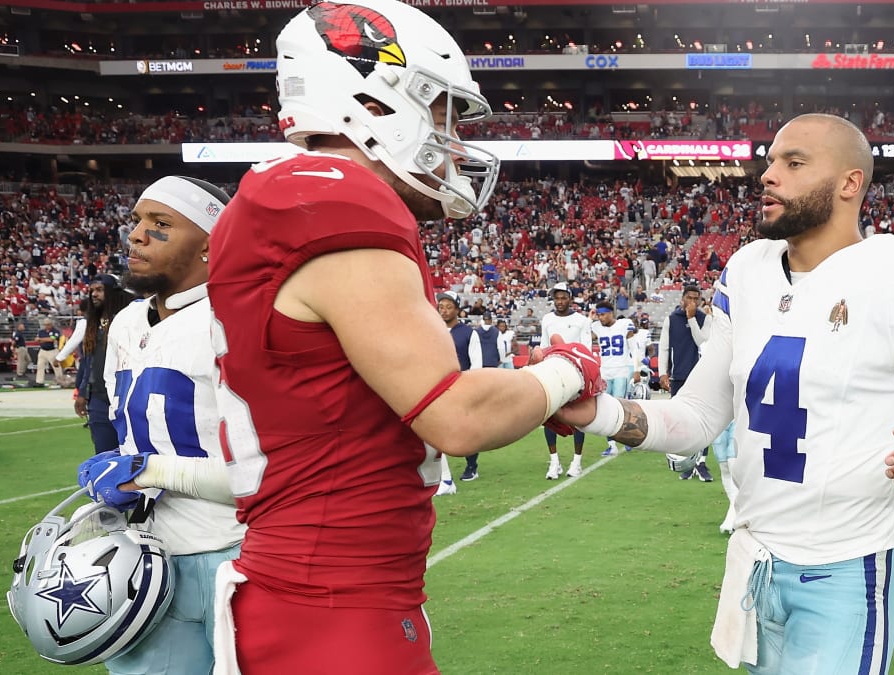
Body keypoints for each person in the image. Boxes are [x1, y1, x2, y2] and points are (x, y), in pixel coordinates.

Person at [552, 113, 894, 674]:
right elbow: (699, 415)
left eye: (794, 162)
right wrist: (599, 412)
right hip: (755, 564)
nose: (768, 174)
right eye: (771, 159)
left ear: (850, 184)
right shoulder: (748, 270)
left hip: (844, 573)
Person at [205, 3, 601, 672]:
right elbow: (455, 413)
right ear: (373, 100)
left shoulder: (278, 196)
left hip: (313, 589)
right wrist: (568, 368)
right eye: (442, 112)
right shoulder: (332, 199)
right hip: (333, 602)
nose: (450, 141)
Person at [76, 175, 245, 674]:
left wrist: (150, 470)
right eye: (137, 222)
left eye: (161, 224)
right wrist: (117, 469)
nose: (136, 235)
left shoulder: (238, 319)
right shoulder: (127, 321)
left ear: (211, 246)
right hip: (148, 559)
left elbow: (276, 475)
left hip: (238, 555)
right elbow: (123, 427)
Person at [69, 274, 134, 454]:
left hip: (125, 395)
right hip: (98, 398)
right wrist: (81, 393)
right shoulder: (93, 323)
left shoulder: (127, 320)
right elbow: (87, 361)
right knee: (104, 454)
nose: (94, 295)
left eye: (99, 290)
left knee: (132, 453)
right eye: (91, 291)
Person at [658, 284, 713, 481]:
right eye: (688, 297)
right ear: (682, 298)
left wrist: (692, 318)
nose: (692, 301)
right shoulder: (671, 319)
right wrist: (662, 372)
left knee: (702, 419)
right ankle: (687, 462)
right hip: (678, 375)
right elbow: (664, 347)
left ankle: (702, 462)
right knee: (681, 420)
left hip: (700, 375)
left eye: (695, 298)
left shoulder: (705, 319)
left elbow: (702, 342)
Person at [541, 281, 593, 479]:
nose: (560, 301)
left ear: (570, 298)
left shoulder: (581, 320)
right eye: (557, 298)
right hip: (553, 373)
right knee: (549, 417)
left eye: (563, 297)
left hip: (575, 375)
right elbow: (545, 347)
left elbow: (585, 349)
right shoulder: (547, 319)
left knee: (578, 420)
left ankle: (576, 461)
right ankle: (554, 462)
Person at [436, 291, 483, 489]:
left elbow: (476, 363)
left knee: (466, 428)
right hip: (438, 387)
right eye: (441, 307)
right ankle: (441, 472)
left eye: (448, 307)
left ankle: (472, 465)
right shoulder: (433, 330)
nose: (444, 311)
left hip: (461, 385)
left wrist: (470, 385)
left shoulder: (468, 333)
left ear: (457, 309)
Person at [590, 300, 636, 457]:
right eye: (598, 315)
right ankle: (612, 444)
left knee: (620, 407)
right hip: (605, 371)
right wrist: (590, 319)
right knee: (605, 409)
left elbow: (634, 347)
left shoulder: (624, 324)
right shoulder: (596, 326)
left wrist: (636, 369)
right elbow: (584, 334)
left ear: (611, 313)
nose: (600, 318)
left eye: (603, 314)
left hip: (620, 371)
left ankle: (628, 437)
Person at [34, 317, 63, 388]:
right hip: (43, 350)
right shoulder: (41, 331)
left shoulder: (55, 331)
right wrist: (45, 340)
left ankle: (60, 381)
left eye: (48, 324)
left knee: (56, 367)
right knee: (40, 366)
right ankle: (39, 381)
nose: (47, 326)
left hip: (52, 350)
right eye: (45, 325)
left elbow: (52, 339)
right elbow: (36, 339)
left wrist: (42, 339)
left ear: (51, 324)